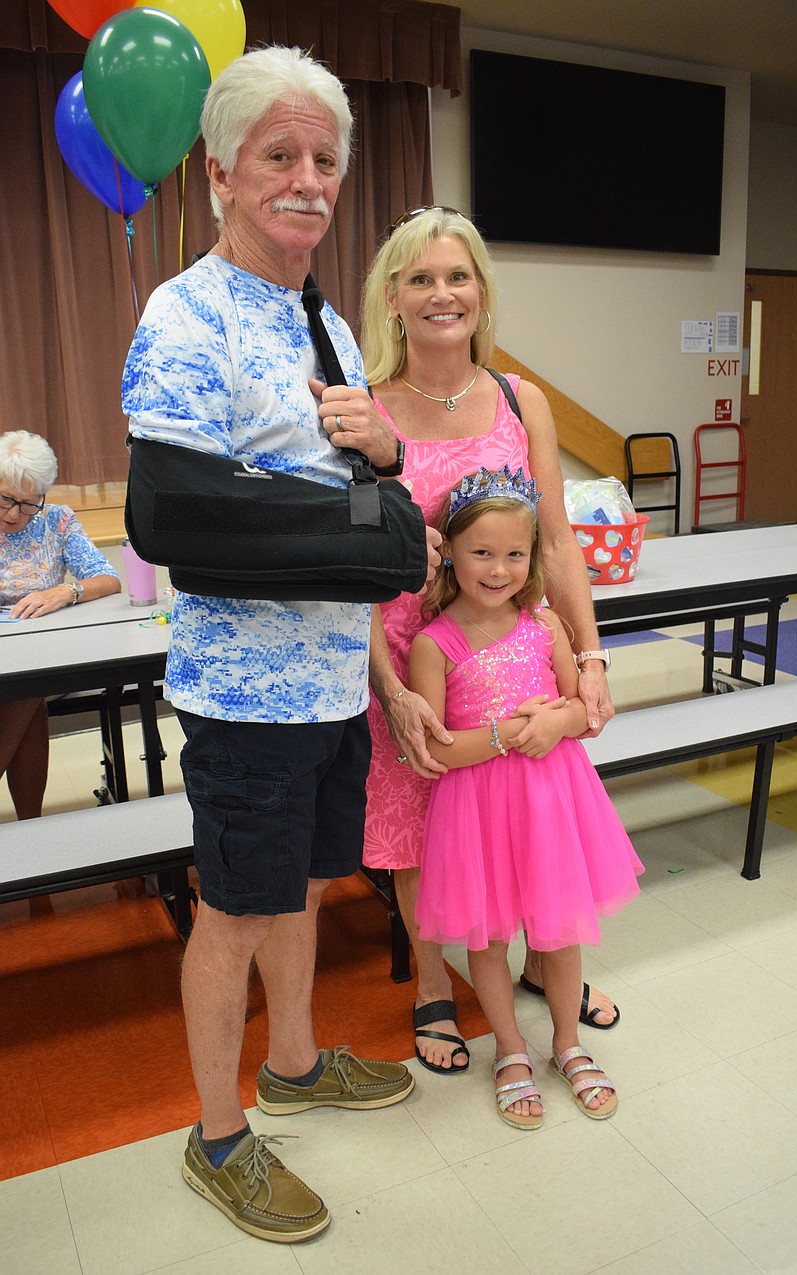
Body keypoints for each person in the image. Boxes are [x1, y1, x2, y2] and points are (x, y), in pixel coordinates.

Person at [122, 47, 439, 1245]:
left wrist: (386, 468)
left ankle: (297, 1063)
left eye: (323, 160)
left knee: (307, 887)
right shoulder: (185, 313)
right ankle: (216, 1137)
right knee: (237, 910)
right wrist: (366, 521)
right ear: (220, 174)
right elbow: (181, 522)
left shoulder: (328, 331)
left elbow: (385, 531)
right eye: (278, 157)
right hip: (241, 696)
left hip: (326, 685)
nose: (307, 181)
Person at [360, 207, 620, 1073]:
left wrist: (588, 659)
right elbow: (353, 563)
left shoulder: (520, 399)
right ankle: (434, 984)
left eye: (459, 276)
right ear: (393, 296)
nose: (443, 293)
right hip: (409, 652)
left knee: (527, 809)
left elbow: (555, 541)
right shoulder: (366, 409)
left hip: (511, 652)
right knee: (422, 825)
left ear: (482, 293)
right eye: (423, 278)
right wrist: (389, 687)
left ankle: (550, 960)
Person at [408, 466, 644, 1125]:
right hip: (477, 810)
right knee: (487, 940)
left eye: (515, 553)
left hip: (551, 803)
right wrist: (512, 733)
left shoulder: (544, 624)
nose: (498, 568)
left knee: (559, 931)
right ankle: (510, 1047)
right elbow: (438, 747)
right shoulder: (434, 644)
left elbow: (581, 708)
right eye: (482, 552)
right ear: (450, 550)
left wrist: (558, 721)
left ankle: (566, 1041)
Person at [0, 430, 121, 820]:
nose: (13, 514)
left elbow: (107, 580)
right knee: (25, 694)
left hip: (42, 657)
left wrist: (64, 592)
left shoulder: (57, 521)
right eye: (4, 499)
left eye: (27, 504)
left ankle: (31, 828)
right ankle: (31, 825)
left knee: (25, 687)